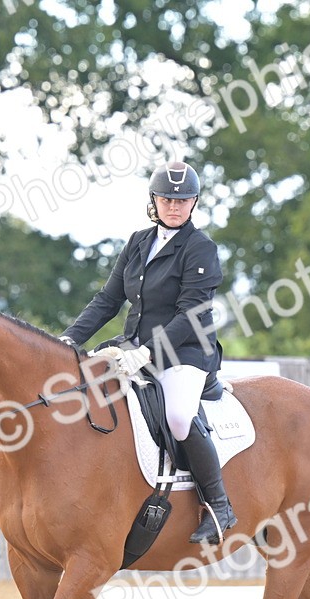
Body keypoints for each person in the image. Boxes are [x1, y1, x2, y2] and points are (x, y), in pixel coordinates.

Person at [60, 160, 236, 546]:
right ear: (153, 200)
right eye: (167, 199)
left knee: (177, 417)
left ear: (194, 203)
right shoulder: (138, 241)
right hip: (132, 349)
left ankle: (219, 505)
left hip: (185, 353)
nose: (175, 206)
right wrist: (68, 341)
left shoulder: (199, 247)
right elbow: (108, 300)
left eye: (183, 200)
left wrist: (146, 352)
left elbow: (191, 312)